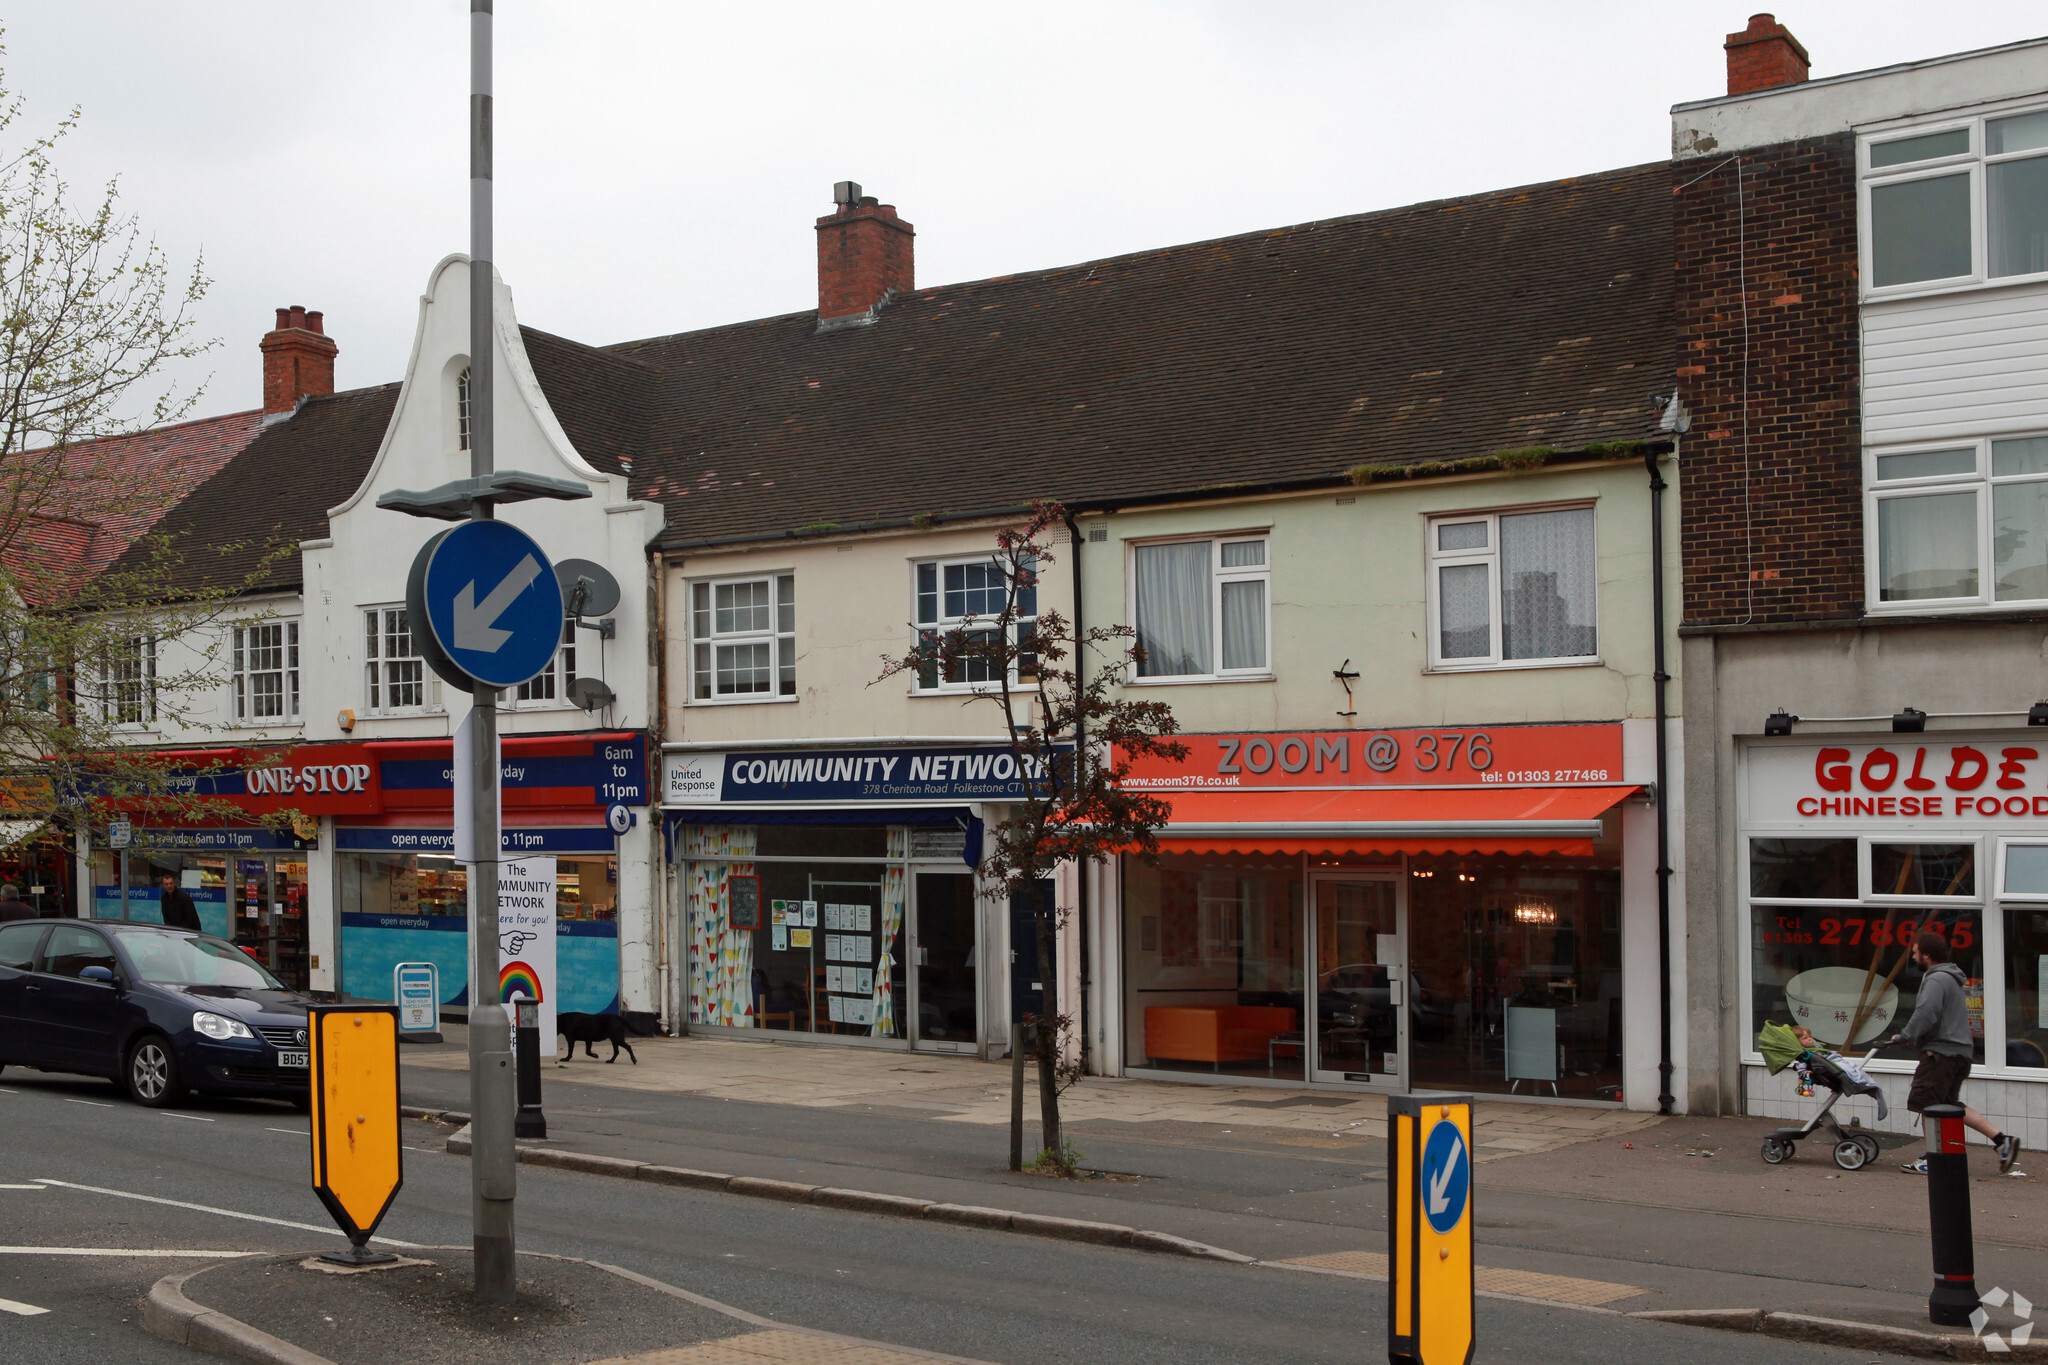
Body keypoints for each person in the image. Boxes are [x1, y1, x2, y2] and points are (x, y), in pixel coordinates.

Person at [1889, 930, 2021, 1174]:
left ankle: (1933, 1157)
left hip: (1941, 1054)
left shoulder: (1936, 978)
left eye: (1916, 953)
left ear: (1927, 955)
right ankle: (2002, 1140)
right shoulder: (1951, 978)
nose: (1914, 957)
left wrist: (1906, 1035)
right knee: (1948, 1105)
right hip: (1960, 1053)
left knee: (1927, 1103)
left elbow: (1927, 1011)